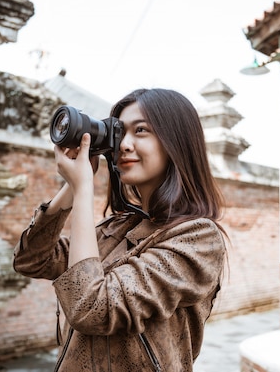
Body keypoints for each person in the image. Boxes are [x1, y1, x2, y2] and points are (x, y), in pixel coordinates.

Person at [13, 88, 227, 372]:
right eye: (120, 133)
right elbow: (31, 259)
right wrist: (72, 186)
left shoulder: (198, 239)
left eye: (141, 130)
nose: (124, 144)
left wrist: (83, 190)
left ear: (176, 142)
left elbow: (91, 308)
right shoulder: (119, 226)